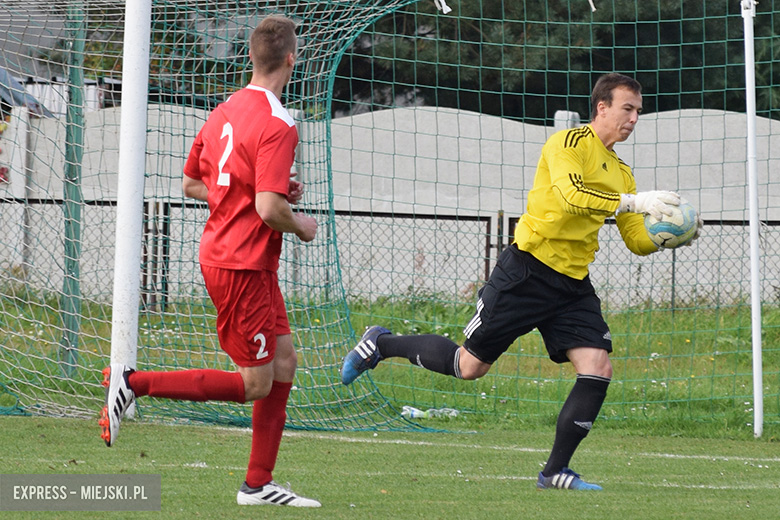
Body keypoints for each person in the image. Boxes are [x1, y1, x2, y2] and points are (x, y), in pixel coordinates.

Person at [341, 73, 702, 490]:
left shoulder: (621, 172)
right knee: (469, 366)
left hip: (572, 285)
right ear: (602, 107)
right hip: (527, 271)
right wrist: (637, 202)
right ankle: (381, 344)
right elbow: (572, 197)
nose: (634, 118)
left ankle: (554, 472)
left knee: (598, 366)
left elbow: (635, 239)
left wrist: (670, 234)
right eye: (628, 108)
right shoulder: (566, 144)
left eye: (638, 111)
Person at [99, 15, 320, 507]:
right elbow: (267, 209)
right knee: (255, 383)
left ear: (251, 57)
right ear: (291, 58)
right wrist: (299, 222)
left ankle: (258, 484)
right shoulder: (280, 122)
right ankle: (132, 383)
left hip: (236, 258)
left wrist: (268, 192)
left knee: (283, 361)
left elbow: (195, 183)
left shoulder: (224, 111)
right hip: (241, 263)